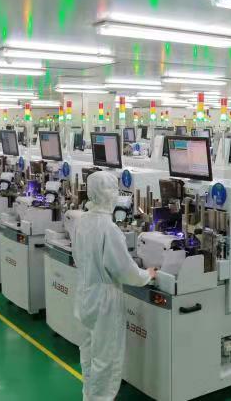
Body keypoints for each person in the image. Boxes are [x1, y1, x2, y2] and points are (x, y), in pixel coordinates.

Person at [73, 171, 156, 401]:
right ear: (108, 194)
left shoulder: (82, 221)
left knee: (88, 354)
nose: (116, 195)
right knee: (105, 359)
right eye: (114, 190)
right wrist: (147, 275)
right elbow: (124, 270)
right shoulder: (108, 229)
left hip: (84, 295)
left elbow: (78, 256)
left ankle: (89, 396)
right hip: (104, 302)